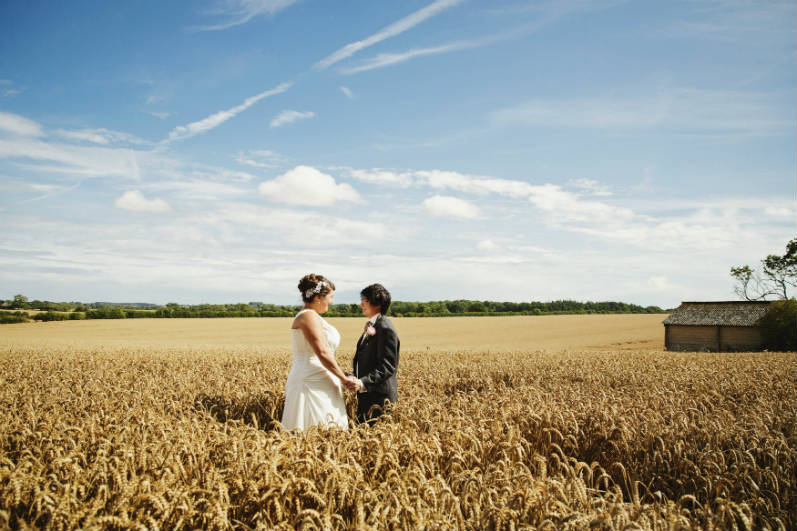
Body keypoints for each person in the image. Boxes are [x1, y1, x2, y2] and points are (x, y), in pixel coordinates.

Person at [281, 274, 359, 431]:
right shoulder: (307, 317)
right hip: (311, 380)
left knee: (327, 427)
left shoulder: (312, 316)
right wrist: (344, 379)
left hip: (321, 378)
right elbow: (322, 352)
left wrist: (340, 374)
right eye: (330, 297)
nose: (331, 301)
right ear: (317, 298)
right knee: (313, 427)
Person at [346, 283, 400, 425]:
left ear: (377, 303)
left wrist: (362, 382)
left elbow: (387, 367)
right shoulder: (374, 326)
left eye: (364, 301)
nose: (360, 304)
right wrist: (354, 375)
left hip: (379, 399)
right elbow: (370, 360)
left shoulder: (384, 328)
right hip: (368, 396)